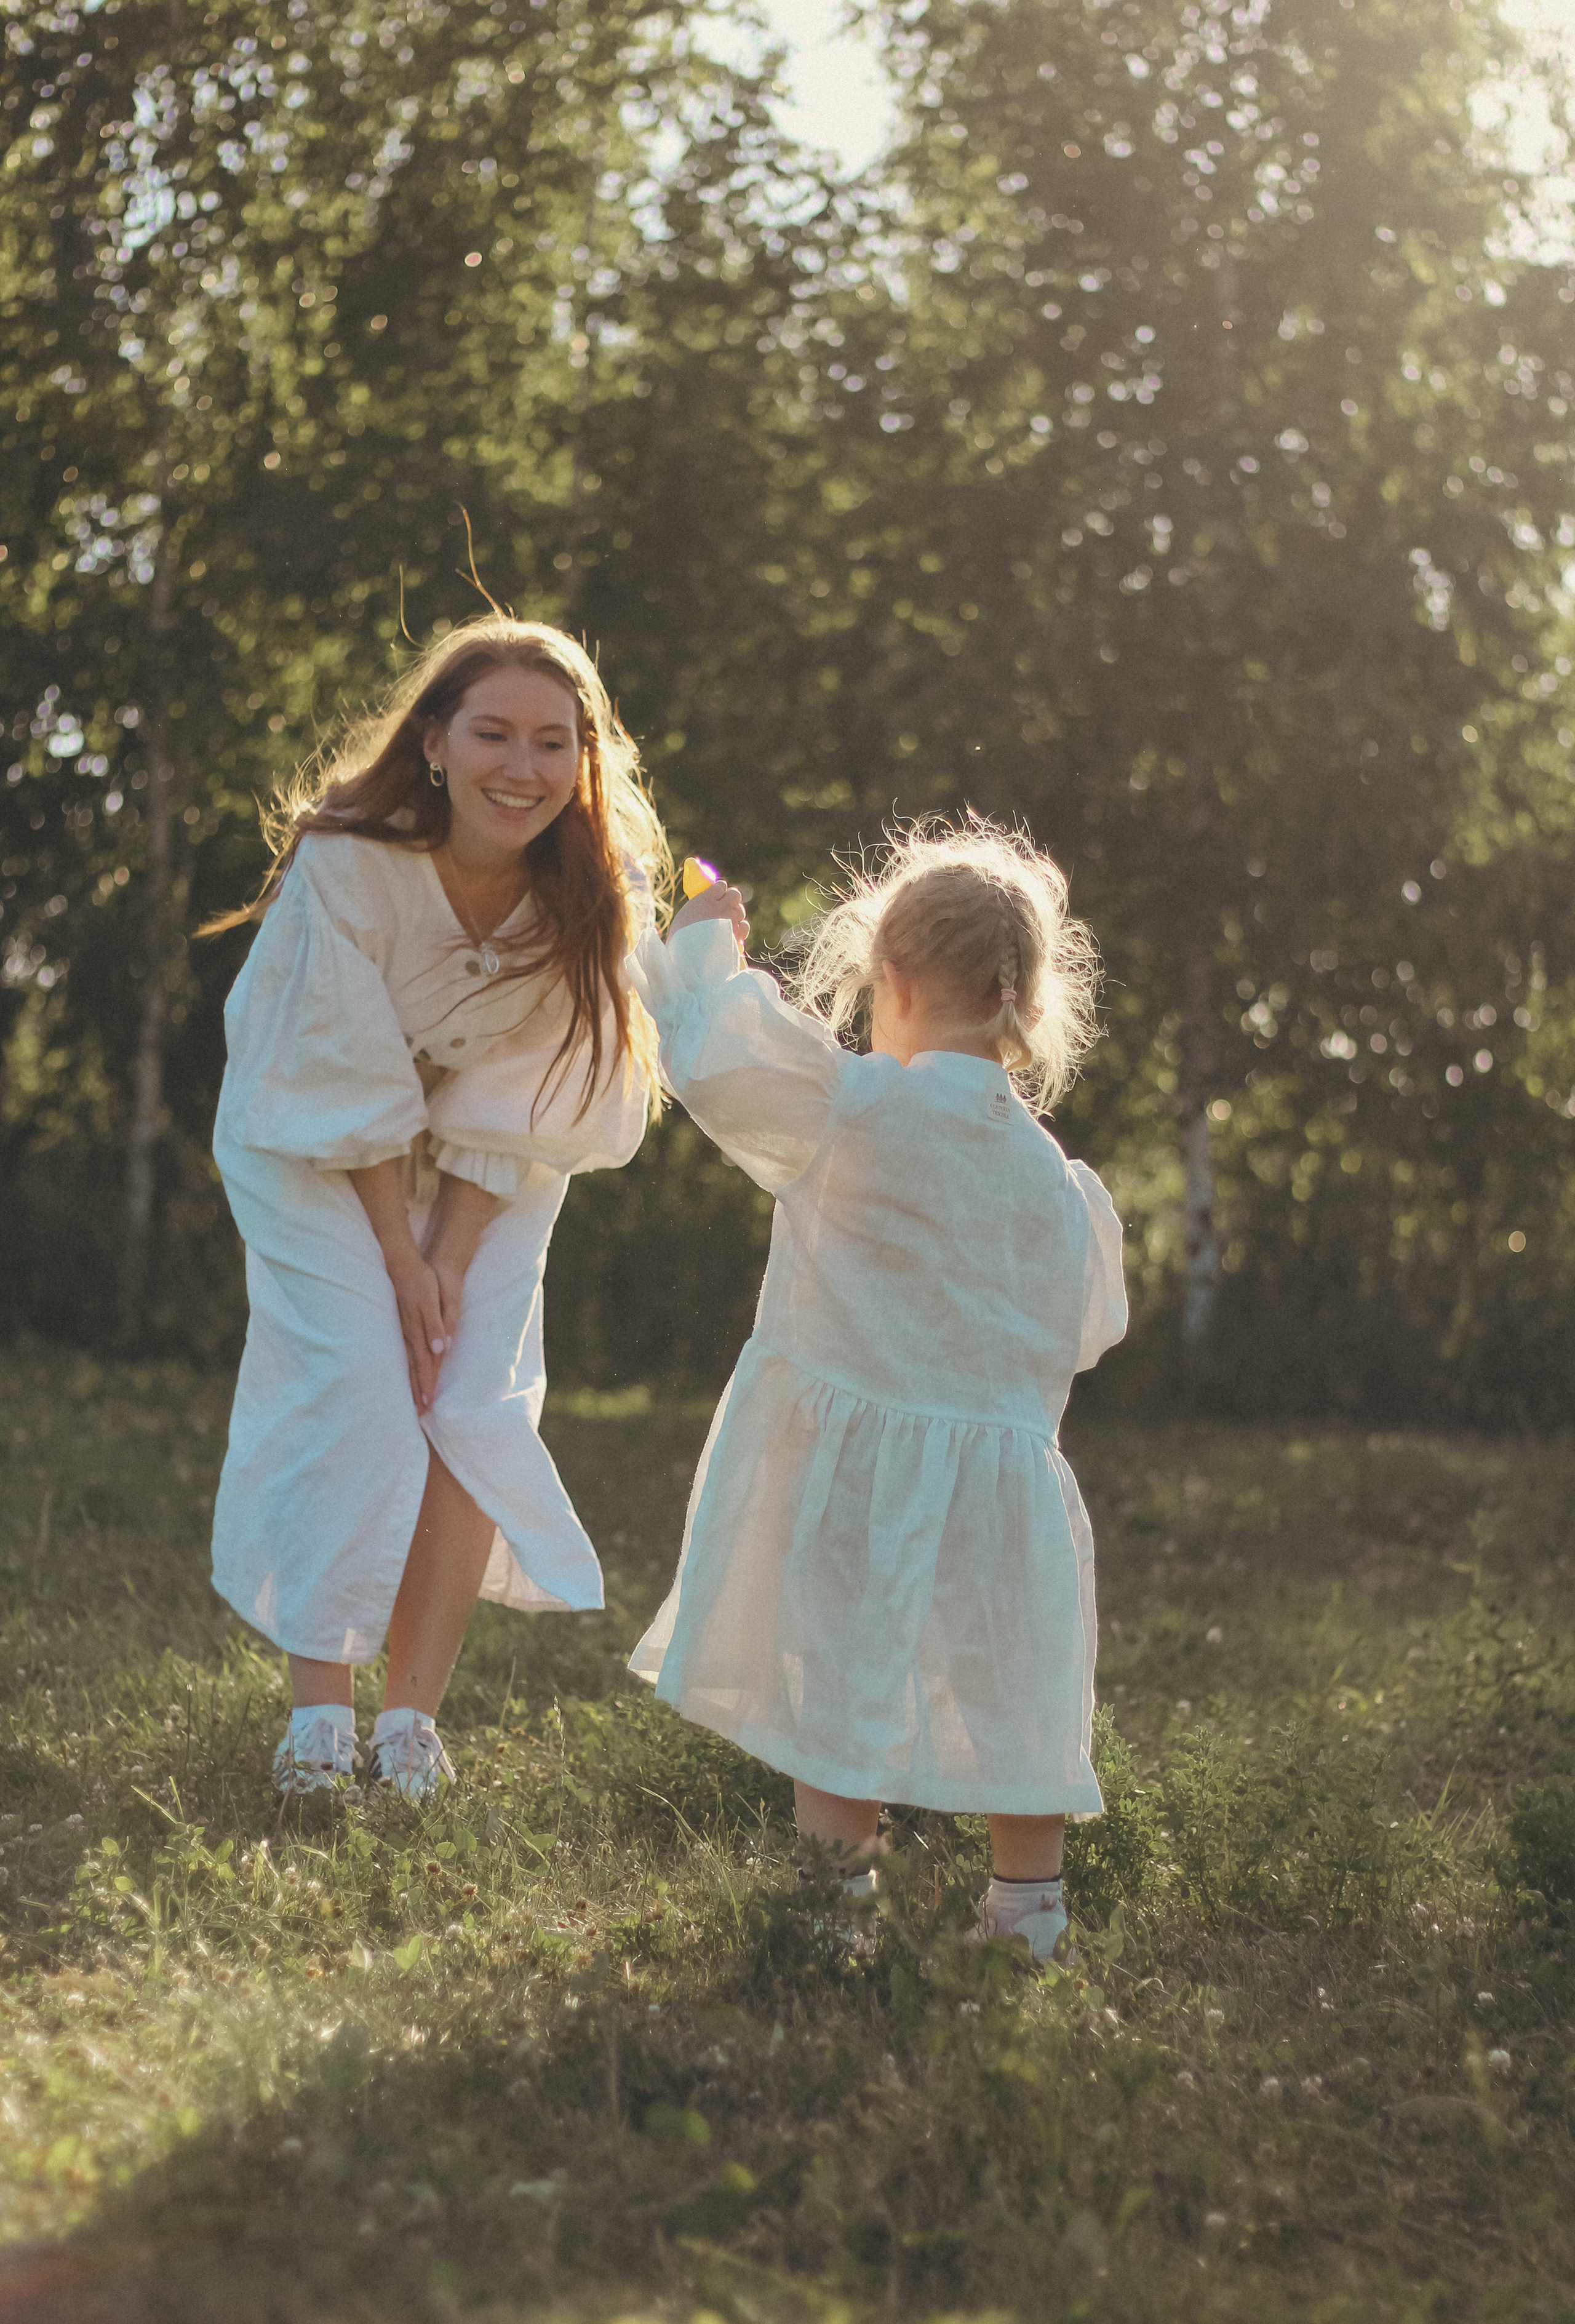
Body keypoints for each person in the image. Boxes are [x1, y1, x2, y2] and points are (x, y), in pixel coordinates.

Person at [627, 821, 1125, 1960]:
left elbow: (722, 1061)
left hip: (855, 1476)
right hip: (1006, 1483)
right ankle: (1028, 1907)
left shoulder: (851, 1107)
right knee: (1011, 1680)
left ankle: (836, 1904)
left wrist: (702, 946)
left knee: (834, 1675)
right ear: (1023, 1001)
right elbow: (1091, 1327)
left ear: (891, 980)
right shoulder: (1062, 1185)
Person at [204, 614, 667, 1799]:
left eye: (553, 743)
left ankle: (410, 1722)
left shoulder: (593, 895)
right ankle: (320, 1717)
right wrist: (400, 1264)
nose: (522, 767)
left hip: (493, 1169)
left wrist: (448, 1260)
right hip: (313, 1145)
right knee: (362, 1377)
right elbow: (337, 1073)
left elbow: (524, 1101)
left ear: (584, 760)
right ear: (434, 743)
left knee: (466, 1398)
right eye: (493, 734)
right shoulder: (347, 862)